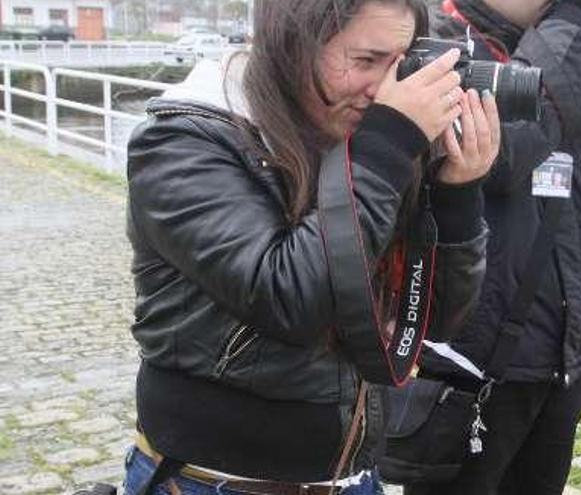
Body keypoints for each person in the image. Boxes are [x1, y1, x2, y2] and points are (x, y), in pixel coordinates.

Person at [122, 0, 501, 493]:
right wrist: (386, 147)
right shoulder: (185, 141)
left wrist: (456, 194)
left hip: (354, 479)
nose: (386, 88)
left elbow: (434, 318)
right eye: (366, 61)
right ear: (292, 47)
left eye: (400, 63)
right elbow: (289, 298)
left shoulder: (356, 136)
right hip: (213, 482)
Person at [406, 0, 581, 493]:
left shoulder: (579, 56)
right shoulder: (438, 43)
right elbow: (504, 152)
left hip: (568, 351)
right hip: (472, 363)